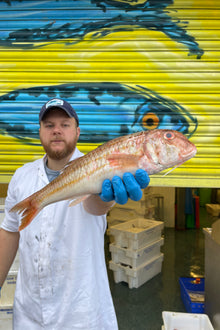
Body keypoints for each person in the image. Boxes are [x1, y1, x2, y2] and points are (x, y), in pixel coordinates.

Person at [0, 98, 150, 329]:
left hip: (82, 314)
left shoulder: (99, 166)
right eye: (49, 125)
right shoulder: (22, 176)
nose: (57, 130)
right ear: (40, 132)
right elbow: (10, 232)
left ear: (77, 131)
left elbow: (95, 206)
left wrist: (104, 198)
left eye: (65, 124)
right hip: (29, 313)